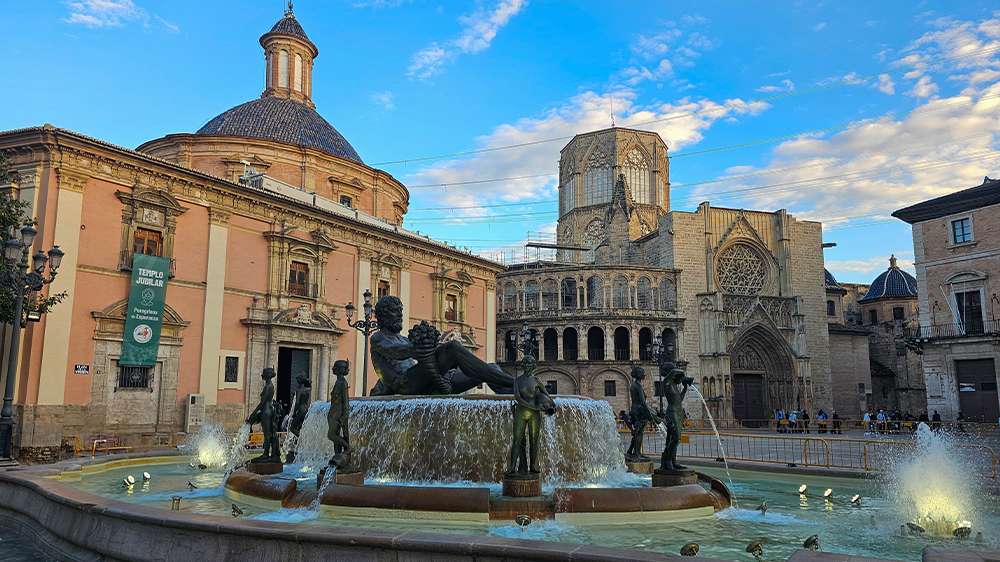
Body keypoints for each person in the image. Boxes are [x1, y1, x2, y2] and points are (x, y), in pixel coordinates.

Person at [369, 296, 514, 395]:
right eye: (395, 312)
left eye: (400, 312)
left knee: (492, 368)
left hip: (430, 382)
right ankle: (514, 382)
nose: (400, 315)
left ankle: (513, 394)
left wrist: (434, 352)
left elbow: (423, 357)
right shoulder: (378, 338)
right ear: (383, 315)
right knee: (452, 348)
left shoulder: (403, 339)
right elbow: (396, 352)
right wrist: (420, 348)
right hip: (408, 384)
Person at [508, 355, 556, 475]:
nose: (527, 366)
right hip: (521, 412)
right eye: (526, 363)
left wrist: (551, 405)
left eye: (530, 364)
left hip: (534, 415)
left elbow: (547, 395)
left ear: (533, 366)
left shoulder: (536, 380)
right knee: (517, 440)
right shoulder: (517, 380)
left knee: (534, 440)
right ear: (523, 365)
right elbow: (517, 397)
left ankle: (533, 466)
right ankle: (512, 466)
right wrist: (533, 407)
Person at [659, 362, 693, 472]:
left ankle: (673, 461)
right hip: (672, 413)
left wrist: (685, 388)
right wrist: (684, 376)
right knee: (676, 437)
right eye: (678, 377)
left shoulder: (674, 385)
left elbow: (679, 399)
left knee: (672, 439)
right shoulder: (667, 382)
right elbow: (674, 371)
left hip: (678, 413)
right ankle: (668, 460)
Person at [247, 368, 283, 463]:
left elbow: (262, 402)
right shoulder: (270, 385)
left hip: (266, 411)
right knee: (270, 433)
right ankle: (273, 454)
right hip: (269, 410)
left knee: (267, 434)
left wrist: (254, 413)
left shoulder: (268, 386)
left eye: (263, 374)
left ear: (266, 376)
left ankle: (266, 454)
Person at [626, 366, 659, 462]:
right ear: (638, 374)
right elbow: (643, 403)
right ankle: (637, 454)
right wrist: (650, 415)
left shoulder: (634, 384)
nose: (644, 374)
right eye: (642, 372)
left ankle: (631, 452)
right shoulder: (637, 386)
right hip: (639, 411)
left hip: (635, 410)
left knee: (637, 433)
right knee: (639, 433)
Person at [327, 360, 351, 469]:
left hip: (338, 413)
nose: (333, 369)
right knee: (335, 438)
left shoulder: (342, 383)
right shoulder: (338, 382)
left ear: (340, 370)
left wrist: (344, 416)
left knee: (331, 435)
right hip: (333, 412)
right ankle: (337, 458)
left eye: (335, 367)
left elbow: (346, 402)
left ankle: (348, 448)